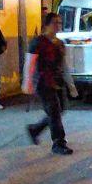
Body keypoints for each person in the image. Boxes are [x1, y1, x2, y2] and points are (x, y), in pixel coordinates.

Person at [26, 12, 78, 155]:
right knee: (54, 111)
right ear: (47, 25)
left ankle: (35, 129)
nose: (58, 26)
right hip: (43, 83)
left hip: (57, 82)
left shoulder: (60, 44)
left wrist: (71, 85)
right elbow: (30, 63)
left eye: (60, 23)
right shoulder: (38, 42)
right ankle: (58, 143)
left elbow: (64, 65)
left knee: (59, 110)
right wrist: (28, 83)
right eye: (55, 22)